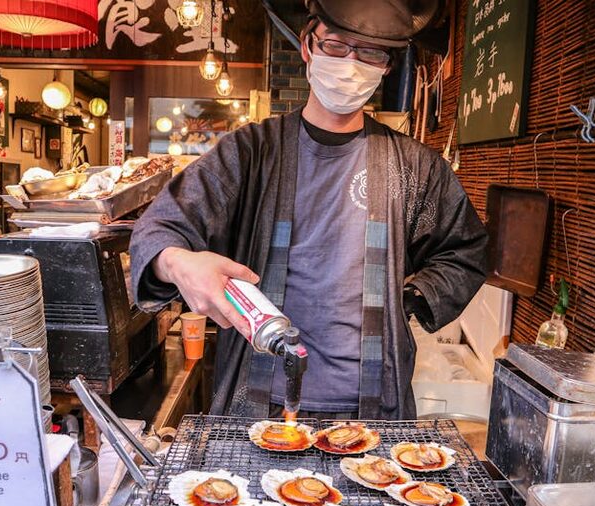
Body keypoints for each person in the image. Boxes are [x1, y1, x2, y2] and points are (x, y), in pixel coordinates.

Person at [131, 0, 487, 421]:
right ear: (307, 45)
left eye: (370, 52)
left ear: (386, 66)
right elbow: (160, 227)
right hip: (258, 406)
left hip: (373, 409)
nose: (350, 65)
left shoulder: (415, 167)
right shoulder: (251, 153)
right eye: (336, 46)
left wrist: (406, 299)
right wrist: (178, 263)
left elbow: (465, 252)